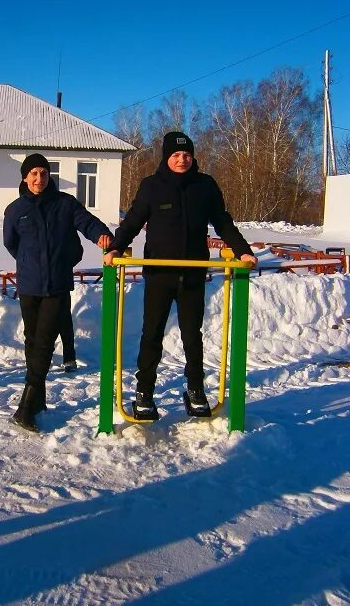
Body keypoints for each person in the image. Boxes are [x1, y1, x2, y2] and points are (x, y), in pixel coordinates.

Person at [104, 131, 257, 420]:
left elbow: (222, 222)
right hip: (160, 275)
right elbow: (134, 220)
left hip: (192, 274)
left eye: (186, 154)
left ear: (193, 157)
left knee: (191, 335)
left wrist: (243, 251)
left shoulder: (205, 186)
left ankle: (195, 389)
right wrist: (115, 248)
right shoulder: (152, 186)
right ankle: (144, 393)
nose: (182, 159)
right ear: (166, 157)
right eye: (176, 155)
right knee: (152, 334)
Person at [4, 153, 112, 431]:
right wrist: (30, 262)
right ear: (25, 177)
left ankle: (25, 408)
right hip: (29, 285)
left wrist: (103, 235)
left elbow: (87, 222)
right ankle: (38, 399)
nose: (39, 179)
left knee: (43, 342)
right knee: (31, 341)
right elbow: (11, 243)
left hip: (57, 285)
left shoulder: (64, 203)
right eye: (34, 174)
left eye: (43, 173)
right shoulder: (15, 210)